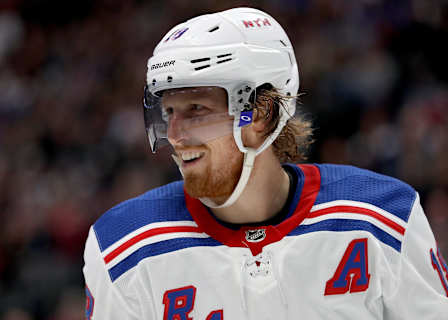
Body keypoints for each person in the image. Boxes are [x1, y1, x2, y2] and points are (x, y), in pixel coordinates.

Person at [83, 7, 448, 319]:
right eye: (168, 114)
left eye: (196, 110)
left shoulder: (383, 218)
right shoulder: (121, 248)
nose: (175, 136)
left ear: (262, 113)